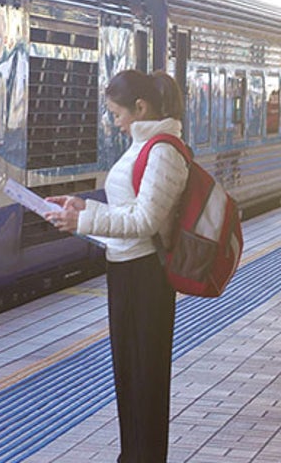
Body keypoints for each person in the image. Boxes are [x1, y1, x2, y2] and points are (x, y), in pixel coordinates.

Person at [46, 69, 188, 463]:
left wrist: (84, 222)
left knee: (145, 381)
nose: (114, 120)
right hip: (126, 271)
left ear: (140, 107)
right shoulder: (141, 146)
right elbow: (128, 209)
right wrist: (82, 207)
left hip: (147, 278)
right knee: (129, 379)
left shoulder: (163, 151)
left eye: (116, 112)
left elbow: (144, 222)